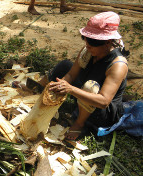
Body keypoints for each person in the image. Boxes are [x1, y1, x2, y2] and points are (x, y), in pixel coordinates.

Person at [42, 11, 129, 142]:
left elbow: (104, 101)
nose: (88, 44)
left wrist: (70, 89)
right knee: (65, 65)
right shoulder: (87, 51)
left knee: (90, 86)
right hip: (85, 91)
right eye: (86, 38)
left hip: (102, 112)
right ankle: (42, 91)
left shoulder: (118, 65)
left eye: (94, 41)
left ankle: (80, 123)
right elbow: (71, 74)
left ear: (108, 42)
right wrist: (61, 84)